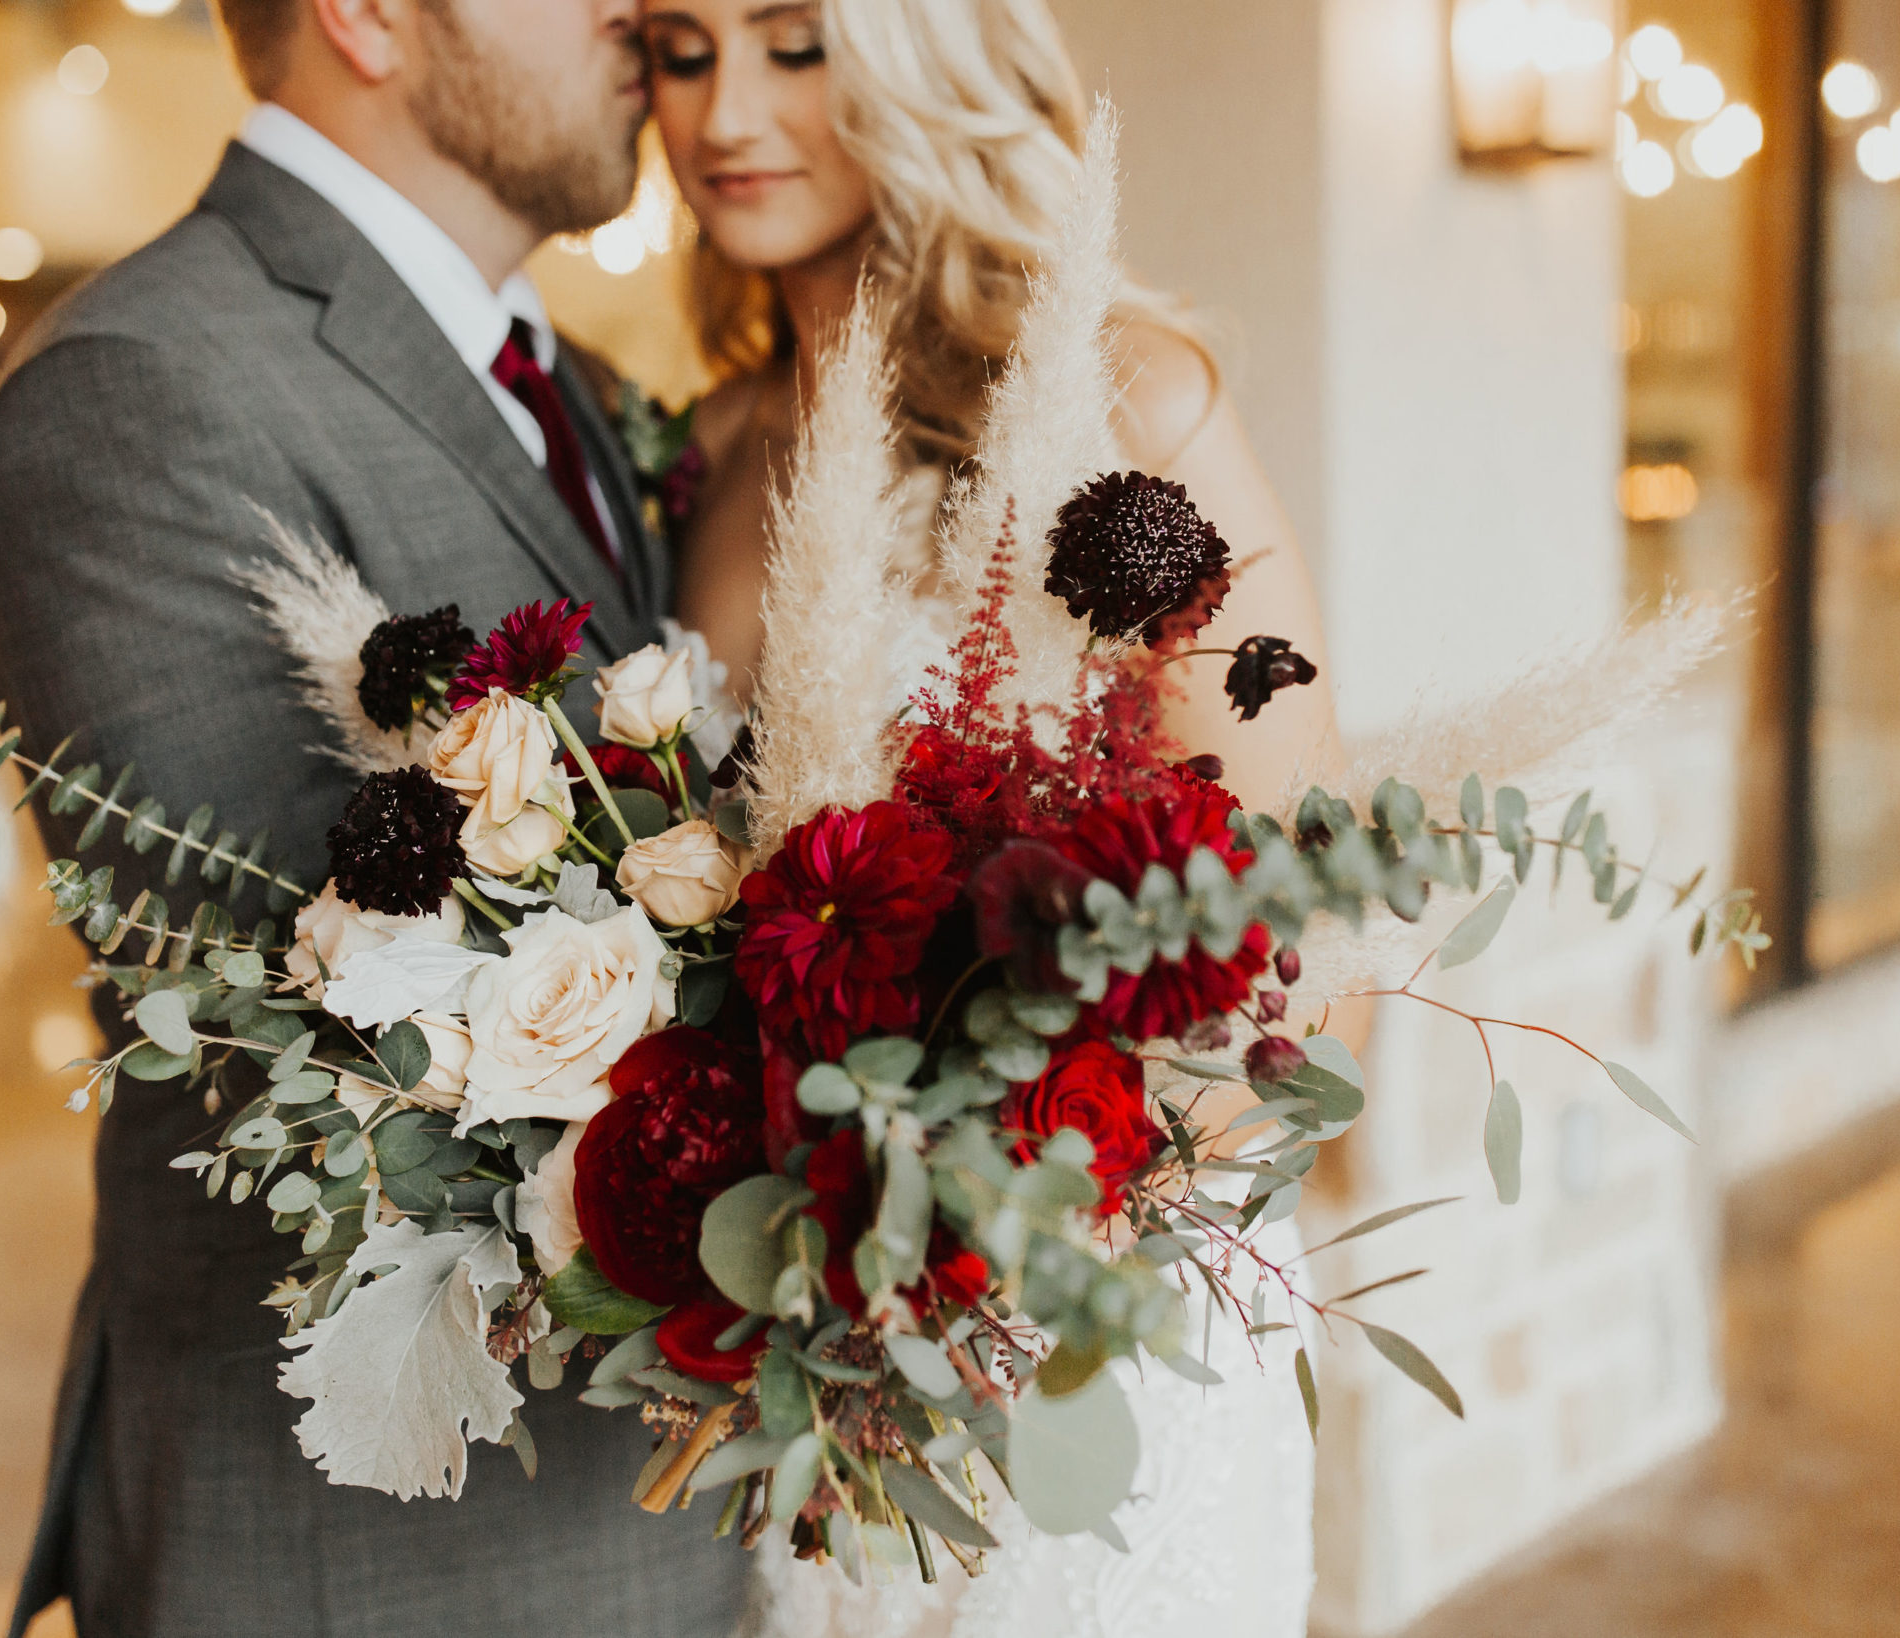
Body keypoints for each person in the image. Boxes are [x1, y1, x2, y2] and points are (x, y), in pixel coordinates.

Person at [0, 2, 750, 1634]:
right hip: (376, 1563)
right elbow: (317, 1047)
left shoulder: (571, 376)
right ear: (368, 15)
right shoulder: (139, 389)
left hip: (645, 1515)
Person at [639, 2, 1334, 1633]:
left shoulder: (1119, 399)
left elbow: (1293, 930)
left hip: (1090, 1327)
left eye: (796, 42)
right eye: (681, 46)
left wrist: (1020, 1222)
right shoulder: (715, 448)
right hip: (819, 1345)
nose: (726, 107)